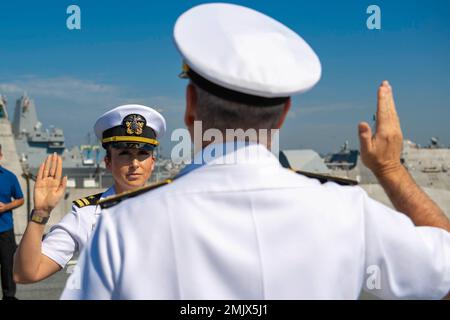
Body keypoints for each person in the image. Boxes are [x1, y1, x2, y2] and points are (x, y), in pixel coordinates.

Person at [61, 3, 450, 299]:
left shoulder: (120, 225)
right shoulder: (348, 212)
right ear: (284, 114)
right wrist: (390, 169)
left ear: (190, 106)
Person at [13, 104, 166, 283]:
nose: (134, 163)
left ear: (153, 161)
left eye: (142, 153)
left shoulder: (174, 206)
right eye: (124, 153)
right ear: (108, 162)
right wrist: (40, 214)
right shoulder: (86, 215)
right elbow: (25, 274)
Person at [0, 143, 24, 300]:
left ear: (1, 155)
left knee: (7, 266)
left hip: (5, 230)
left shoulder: (10, 177)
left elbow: (20, 199)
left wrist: (5, 207)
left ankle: (9, 297)